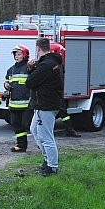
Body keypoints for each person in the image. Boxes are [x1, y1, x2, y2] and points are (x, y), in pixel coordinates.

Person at [26, 37, 64, 176]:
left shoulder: (46, 65)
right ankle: (47, 159)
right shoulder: (53, 62)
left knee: (46, 136)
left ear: (38, 48)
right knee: (34, 130)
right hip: (46, 103)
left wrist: (30, 69)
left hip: (45, 105)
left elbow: (30, 82)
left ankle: (52, 166)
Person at [49, 42, 81, 138]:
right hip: (53, 94)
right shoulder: (53, 65)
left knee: (63, 113)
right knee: (51, 114)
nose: (61, 54)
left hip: (57, 94)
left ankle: (69, 130)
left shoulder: (57, 65)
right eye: (60, 52)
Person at [4, 44, 33, 153]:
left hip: (27, 104)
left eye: (19, 54)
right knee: (16, 124)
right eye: (15, 54)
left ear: (25, 55)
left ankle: (42, 143)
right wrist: (6, 85)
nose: (16, 56)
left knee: (28, 125)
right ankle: (21, 146)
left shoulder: (29, 68)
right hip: (14, 103)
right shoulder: (10, 70)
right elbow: (6, 81)